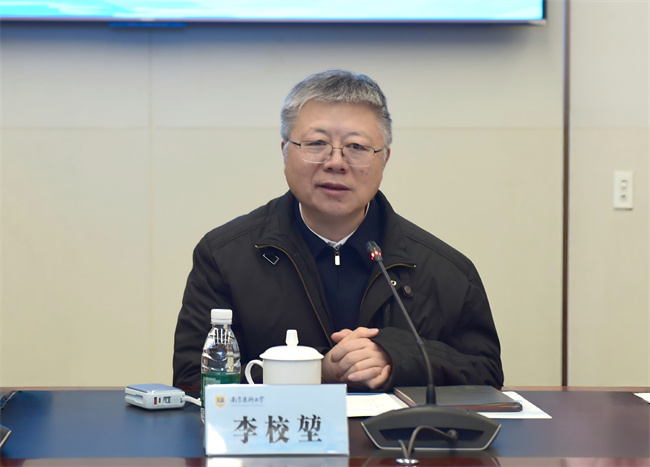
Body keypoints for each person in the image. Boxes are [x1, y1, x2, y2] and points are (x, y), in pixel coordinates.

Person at [173, 69, 504, 391]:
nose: (336, 162)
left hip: (397, 432)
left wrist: (396, 357)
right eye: (317, 143)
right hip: (277, 431)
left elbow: (487, 375)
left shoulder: (444, 270)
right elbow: (192, 380)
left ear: (384, 159)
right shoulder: (225, 258)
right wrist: (316, 371)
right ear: (285, 151)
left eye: (356, 147)